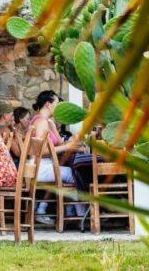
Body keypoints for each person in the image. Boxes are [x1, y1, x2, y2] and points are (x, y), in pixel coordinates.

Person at [30, 90, 88, 222]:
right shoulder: (40, 122)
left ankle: (73, 214)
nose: (59, 107)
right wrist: (68, 147)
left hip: (46, 165)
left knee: (74, 172)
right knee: (77, 174)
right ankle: (80, 216)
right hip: (40, 168)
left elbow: (60, 144)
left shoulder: (46, 122)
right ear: (48, 104)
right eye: (57, 103)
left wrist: (72, 143)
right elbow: (40, 151)